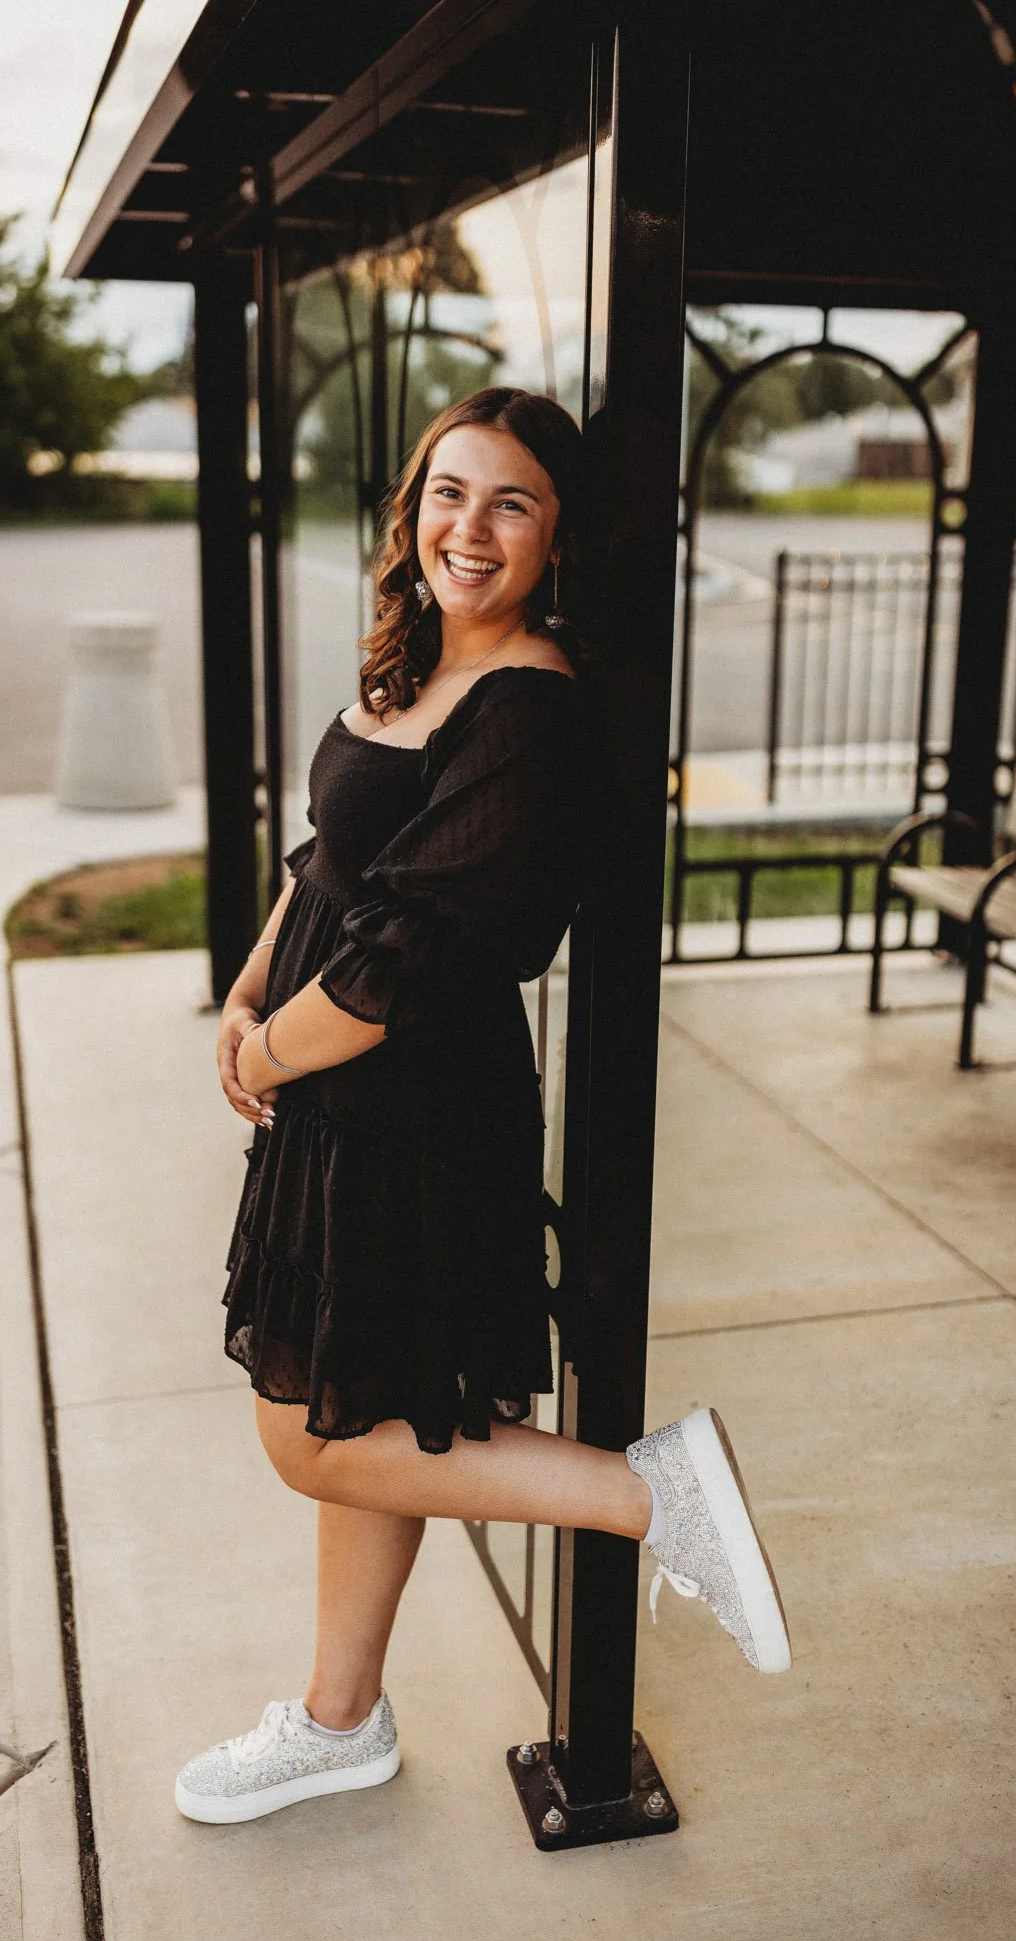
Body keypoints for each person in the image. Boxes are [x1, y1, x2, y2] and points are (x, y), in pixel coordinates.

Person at [174, 387, 790, 1827]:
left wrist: (268, 1060)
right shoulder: (416, 661)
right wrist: (250, 992)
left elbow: (396, 966)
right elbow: (325, 857)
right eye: (449, 493)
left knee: (304, 1431)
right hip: (330, 1091)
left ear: (557, 533)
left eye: (510, 501)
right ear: (413, 507)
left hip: (414, 1117)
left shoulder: (530, 706)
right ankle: (339, 1723)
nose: (469, 526)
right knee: (356, 1398)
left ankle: (655, 1499)